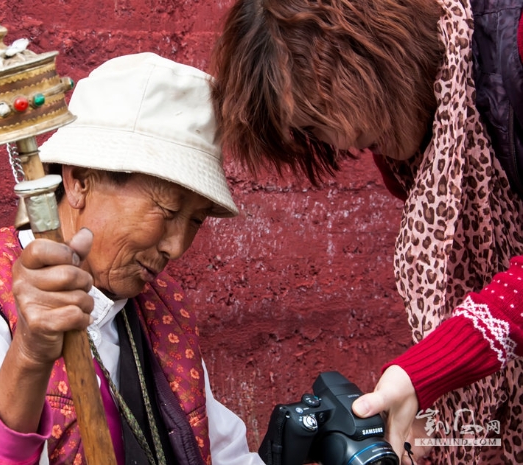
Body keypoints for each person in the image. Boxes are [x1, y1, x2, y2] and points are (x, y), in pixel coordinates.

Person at [0, 52, 266, 465]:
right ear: (79, 181)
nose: (176, 247)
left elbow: (225, 453)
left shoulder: (161, 308)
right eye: (166, 212)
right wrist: (29, 354)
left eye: (195, 221)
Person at [210, 0, 523, 463]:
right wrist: (425, 402)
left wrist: (427, 372)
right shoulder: (411, 145)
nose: (339, 146)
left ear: (355, 58)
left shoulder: (512, 45)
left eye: (318, 120)